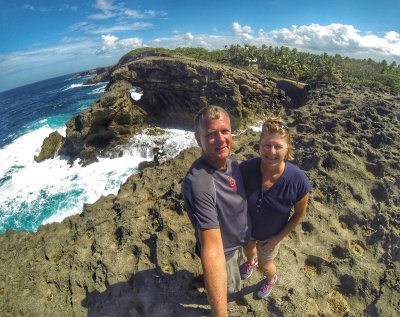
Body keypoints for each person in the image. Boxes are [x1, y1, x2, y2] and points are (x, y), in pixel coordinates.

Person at [182, 105, 251, 316]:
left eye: (225, 131)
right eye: (211, 134)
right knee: (229, 287)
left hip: (238, 243)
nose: (221, 139)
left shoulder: (231, 162)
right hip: (225, 253)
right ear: (198, 139)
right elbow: (212, 250)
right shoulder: (200, 182)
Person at [239, 116, 311, 299]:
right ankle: (250, 261)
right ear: (259, 145)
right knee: (248, 250)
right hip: (246, 230)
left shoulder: (298, 181)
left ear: (288, 148)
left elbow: (299, 215)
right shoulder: (245, 169)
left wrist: (276, 239)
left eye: (278, 146)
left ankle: (271, 279)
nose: (271, 151)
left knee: (265, 265)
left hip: (270, 237)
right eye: (267, 145)